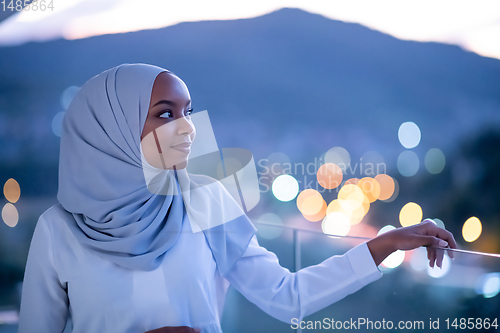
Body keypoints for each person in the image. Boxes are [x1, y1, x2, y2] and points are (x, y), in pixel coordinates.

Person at [18, 63, 457, 333]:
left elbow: (288, 297)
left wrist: (387, 243)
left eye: (188, 111)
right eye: (166, 114)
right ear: (111, 127)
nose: (188, 127)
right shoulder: (58, 231)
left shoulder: (205, 201)